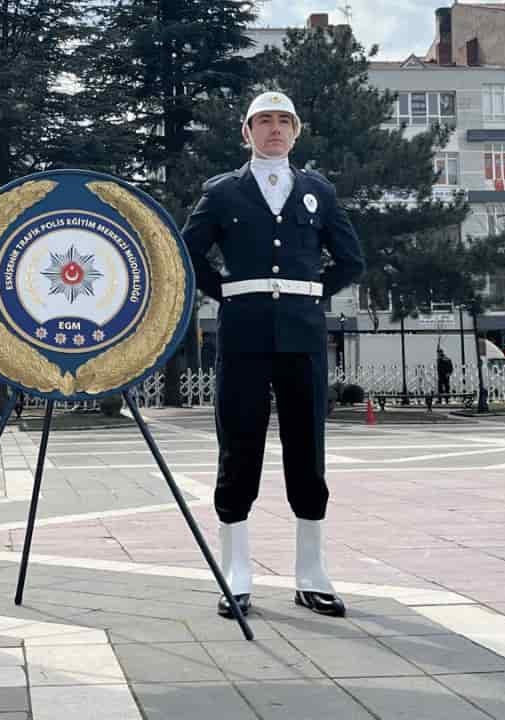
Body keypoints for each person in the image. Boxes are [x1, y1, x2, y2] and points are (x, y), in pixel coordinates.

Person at [182, 91, 364, 619]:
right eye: (264, 121)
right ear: (247, 132)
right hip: (243, 333)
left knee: (307, 447)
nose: (275, 129)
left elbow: (351, 260)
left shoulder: (317, 191)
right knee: (238, 445)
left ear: (296, 132)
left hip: (303, 335)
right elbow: (187, 253)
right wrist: (230, 292)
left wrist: (312, 293)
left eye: (285, 120)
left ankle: (312, 573)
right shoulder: (222, 193)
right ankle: (236, 574)